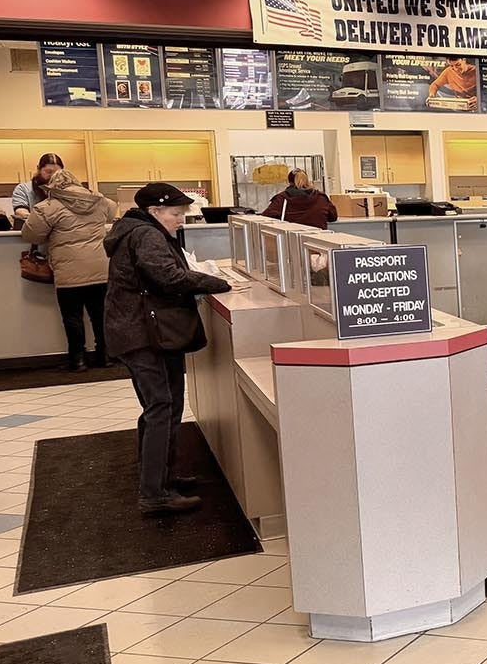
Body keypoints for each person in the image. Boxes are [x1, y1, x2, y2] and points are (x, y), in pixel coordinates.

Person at [104, 183, 232, 516]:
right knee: (162, 406)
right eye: (175, 214)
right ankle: (153, 493)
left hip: (138, 331)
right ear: (154, 212)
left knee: (163, 404)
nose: (180, 220)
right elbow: (169, 277)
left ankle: (161, 476)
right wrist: (215, 282)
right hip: (144, 335)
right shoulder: (146, 236)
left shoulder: (135, 231)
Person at [20, 170, 115, 371]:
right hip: (100, 267)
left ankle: (78, 360)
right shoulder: (98, 200)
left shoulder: (48, 207)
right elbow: (113, 212)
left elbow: (31, 235)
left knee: (72, 317)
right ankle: (105, 356)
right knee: (100, 315)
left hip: (68, 271)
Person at [263, 169, 337, 229]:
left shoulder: (282, 199)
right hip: (319, 241)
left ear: (289, 182)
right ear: (307, 180)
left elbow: (265, 218)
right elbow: (333, 217)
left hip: (292, 242)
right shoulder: (321, 198)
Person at [11, 152, 65, 225]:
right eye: (48, 172)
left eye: (57, 173)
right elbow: (20, 211)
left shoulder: (65, 189)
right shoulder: (23, 189)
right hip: (34, 229)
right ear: (38, 169)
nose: (53, 176)